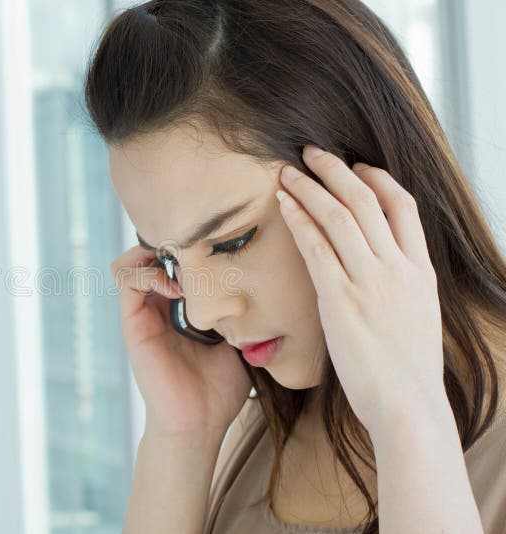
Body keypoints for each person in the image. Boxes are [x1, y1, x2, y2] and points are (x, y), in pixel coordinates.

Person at [83, 1, 506, 533]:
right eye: (169, 259)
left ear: (363, 179)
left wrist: (409, 420)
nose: (206, 310)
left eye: (232, 241)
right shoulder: (261, 426)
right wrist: (181, 435)